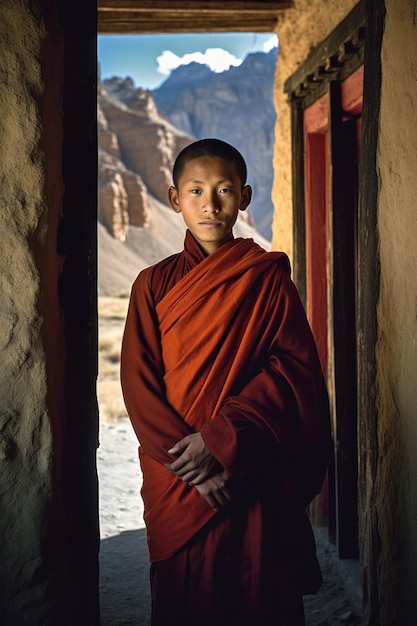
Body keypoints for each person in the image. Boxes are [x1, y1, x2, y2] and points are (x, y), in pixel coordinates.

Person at [120, 138, 331, 626]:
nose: (210, 204)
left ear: (246, 196)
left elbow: (294, 369)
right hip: (180, 476)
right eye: (195, 191)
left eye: (224, 190)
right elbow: (138, 383)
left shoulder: (267, 278)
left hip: (249, 463)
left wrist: (223, 439)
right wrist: (192, 462)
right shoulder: (152, 283)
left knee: (258, 591)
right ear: (175, 199)